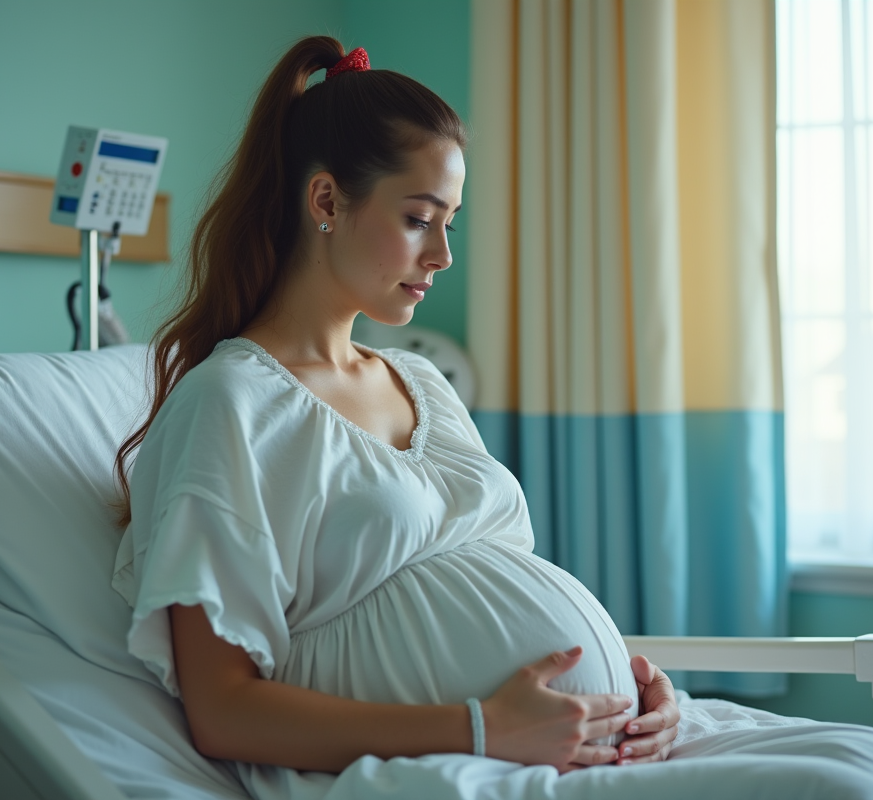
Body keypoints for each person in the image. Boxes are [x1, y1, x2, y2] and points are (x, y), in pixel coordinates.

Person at [110, 36, 680, 779]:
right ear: (325, 201)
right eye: (419, 218)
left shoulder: (423, 384)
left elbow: (498, 591)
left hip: (567, 753)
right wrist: (480, 729)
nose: (443, 254)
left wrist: (635, 689)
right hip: (447, 768)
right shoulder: (231, 404)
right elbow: (221, 710)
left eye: (451, 221)